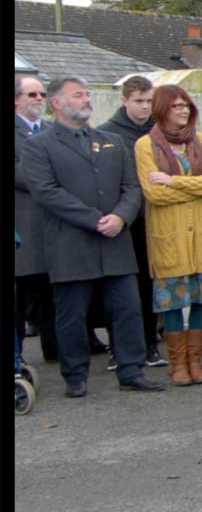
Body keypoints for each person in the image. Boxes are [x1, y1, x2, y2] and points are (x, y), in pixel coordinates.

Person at [17, 77, 165, 397]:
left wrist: (121, 217)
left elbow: (131, 187)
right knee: (72, 314)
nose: (86, 100)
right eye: (78, 95)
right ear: (56, 103)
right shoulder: (38, 146)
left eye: (87, 94)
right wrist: (93, 219)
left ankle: (131, 369)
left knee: (127, 308)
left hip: (115, 240)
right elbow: (45, 192)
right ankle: (75, 375)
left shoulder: (110, 140)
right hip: (71, 242)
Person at [134, 82, 202, 386]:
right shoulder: (145, 145)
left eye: (186, 105)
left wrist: (173, 182)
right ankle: (178, 365)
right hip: (170, 236)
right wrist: (201, 184)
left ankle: (196, 361)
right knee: (173, 301)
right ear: (162, 109)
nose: (184, 110)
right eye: (177, 105)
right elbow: (154, 193)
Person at [99, 75, 169, 367]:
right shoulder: (107, 134)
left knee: (149, 286)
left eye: (148, 102)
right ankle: (120, 347)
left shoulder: (161, 132)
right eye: (138, 101)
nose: (144, 107)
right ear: (124, 101)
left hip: (155, 219)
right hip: (125, 221)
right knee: (120, 291)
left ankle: (150, 344)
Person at [14, 73, 59, 365]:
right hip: (23, 226)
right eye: (32, 94)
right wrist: (52, 178)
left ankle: (55, 349)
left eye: (42, 94)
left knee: (52, 293)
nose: (39, 99)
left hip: (52, 225)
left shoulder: (52, 130)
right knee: (21, 296)